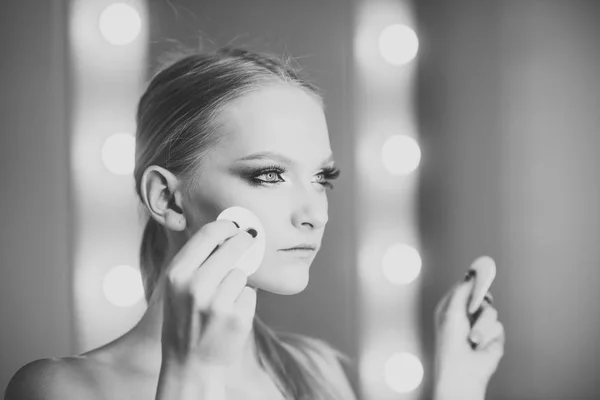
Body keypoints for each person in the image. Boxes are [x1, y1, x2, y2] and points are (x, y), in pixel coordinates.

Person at [4, 47, 504, 400]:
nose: (316, 213)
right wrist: (191, 375)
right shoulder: (58, 390)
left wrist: (459, 386)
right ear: (167, 198)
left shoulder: (319, 372)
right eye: (270, 174)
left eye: (322, 177)